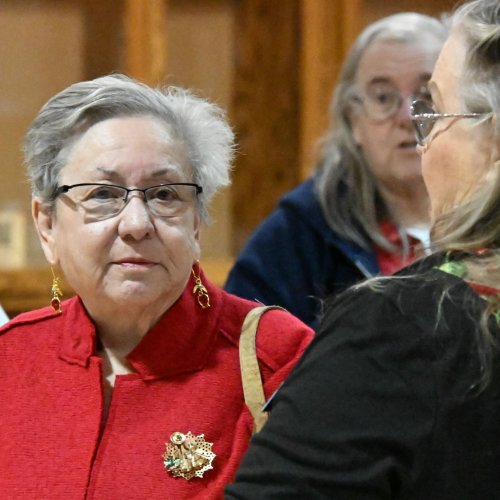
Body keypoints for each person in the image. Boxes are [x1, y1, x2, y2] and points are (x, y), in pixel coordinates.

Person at [226, 0, 500, 497]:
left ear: (494, 132)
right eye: (381, 97)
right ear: (351, 119)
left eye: (428, 102)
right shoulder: (295, 237)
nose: (411, 125)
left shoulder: (398, 322)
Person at [0, 75, 313, 499]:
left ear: (197, 222)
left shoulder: (276, 358)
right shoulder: (10, 359)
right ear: (47, 225)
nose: (136, 224)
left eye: (165, 194)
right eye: (103, 194)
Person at [225, 13, 448, 328]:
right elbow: (242, 351)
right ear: (353, 119)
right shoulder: (301, 233)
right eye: (383, 97)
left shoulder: (489, 219)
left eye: (426, 95)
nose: (406, 116)